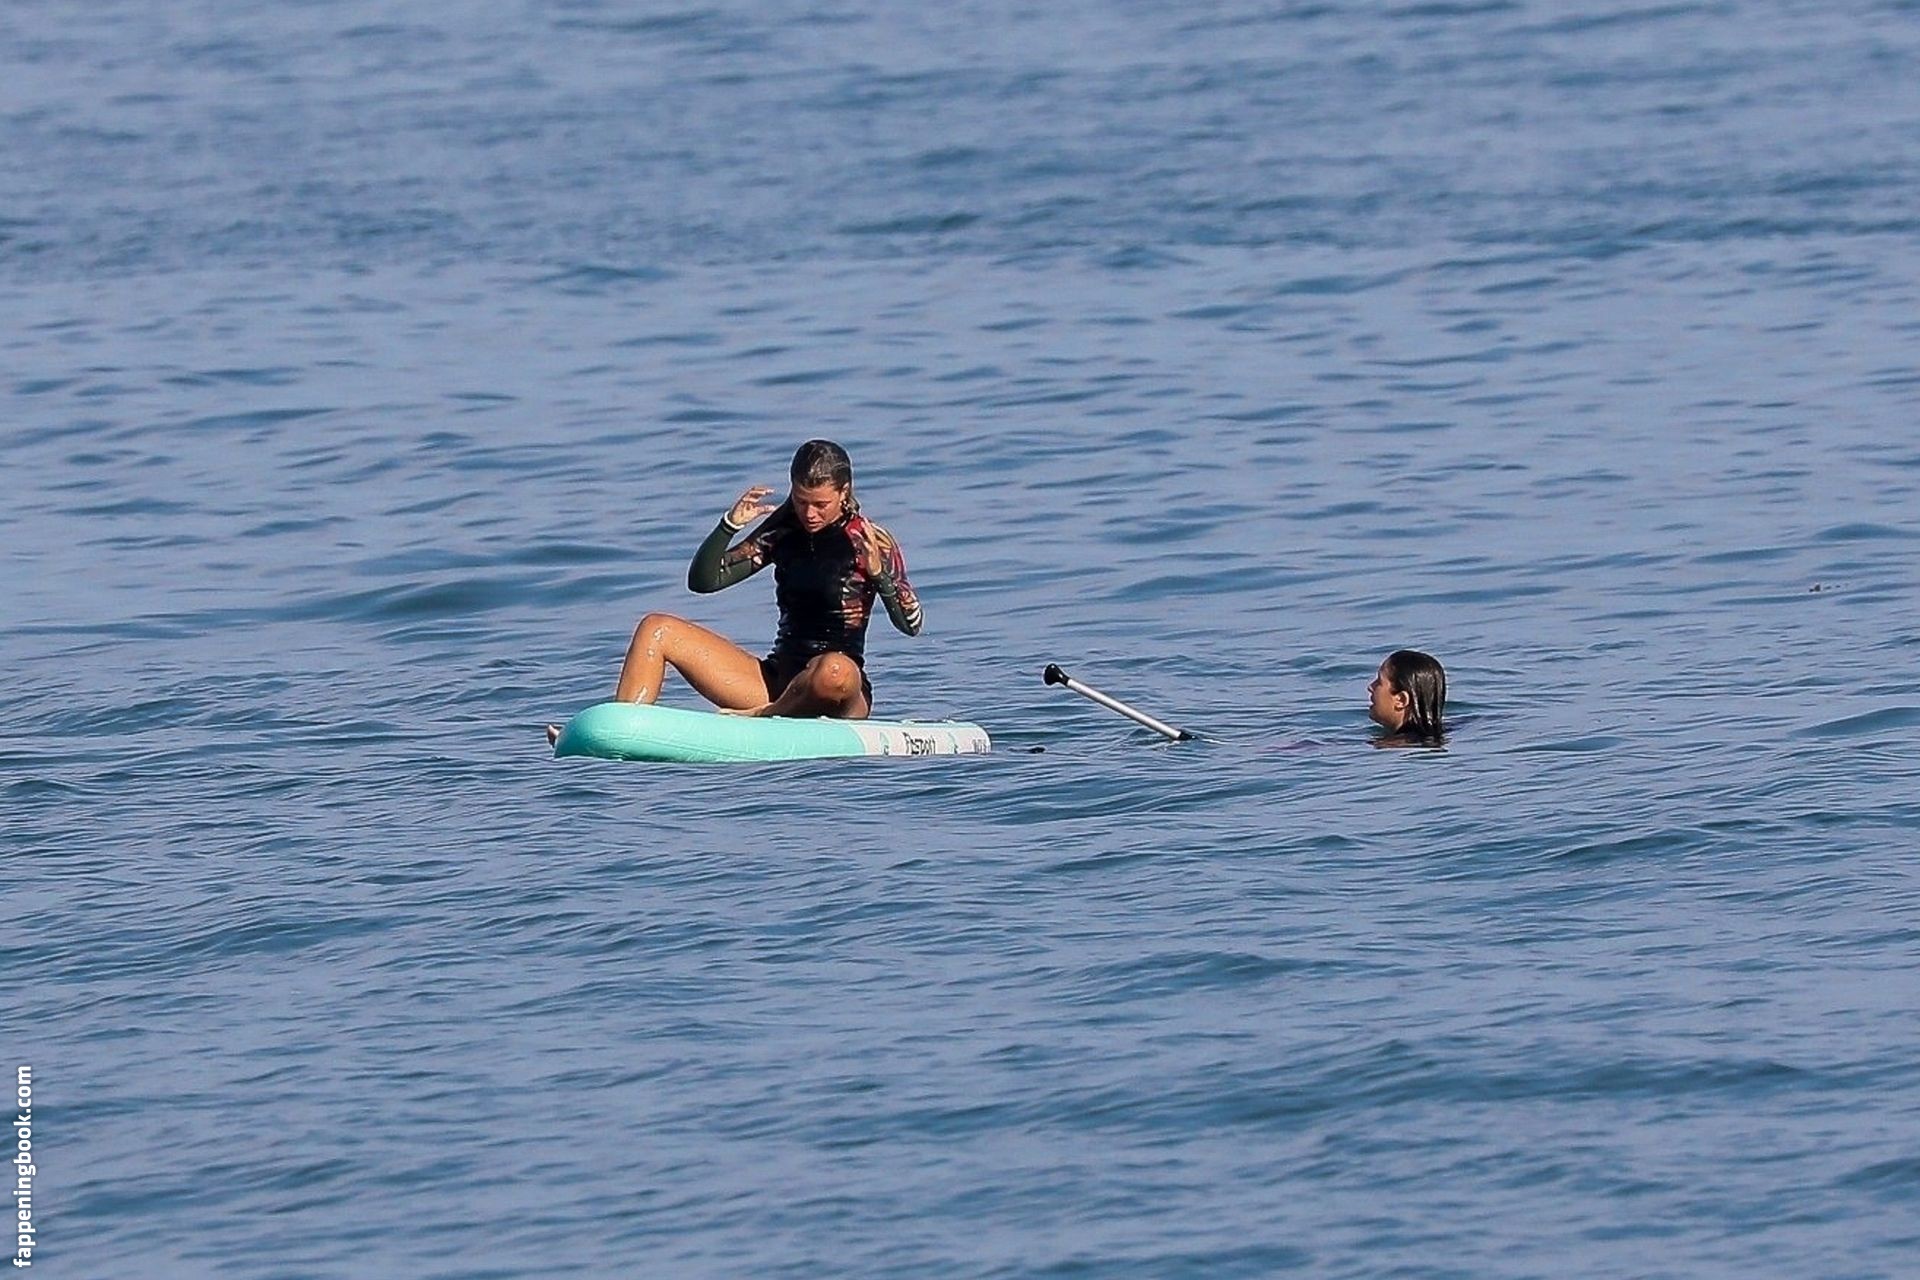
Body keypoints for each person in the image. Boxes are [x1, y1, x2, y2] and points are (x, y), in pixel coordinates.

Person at [548, 441, 922, 743]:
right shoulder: (783, 530)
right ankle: (620, 729)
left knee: (834, 670)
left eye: (820, 504)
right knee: (655, 628)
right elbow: (704, 581)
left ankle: (763, 717)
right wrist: (728, 525)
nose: (809, 514)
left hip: (838, 692)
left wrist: (880, 576)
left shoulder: (870, 541)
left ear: (844, 492)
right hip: (775, 682)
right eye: (800, 501)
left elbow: (911, 624)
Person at [1367, 649, 1446, 747]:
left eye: (1379, 682)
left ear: (1401, 700)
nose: (1370, 687)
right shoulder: (1439, 733)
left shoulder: (1394, 744)